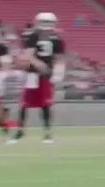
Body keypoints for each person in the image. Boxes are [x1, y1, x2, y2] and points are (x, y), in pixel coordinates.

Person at [12, 12, 65, 144]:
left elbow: (59, 59)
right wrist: (39, 63)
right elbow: (28, 55)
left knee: (45, 105)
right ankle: (20, 131)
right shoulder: (34, 37)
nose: (46, 25)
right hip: (33, 74)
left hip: (45, 75)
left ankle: (47, 133)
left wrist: (58, 73)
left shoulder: (56, 39)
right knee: (25, 104)